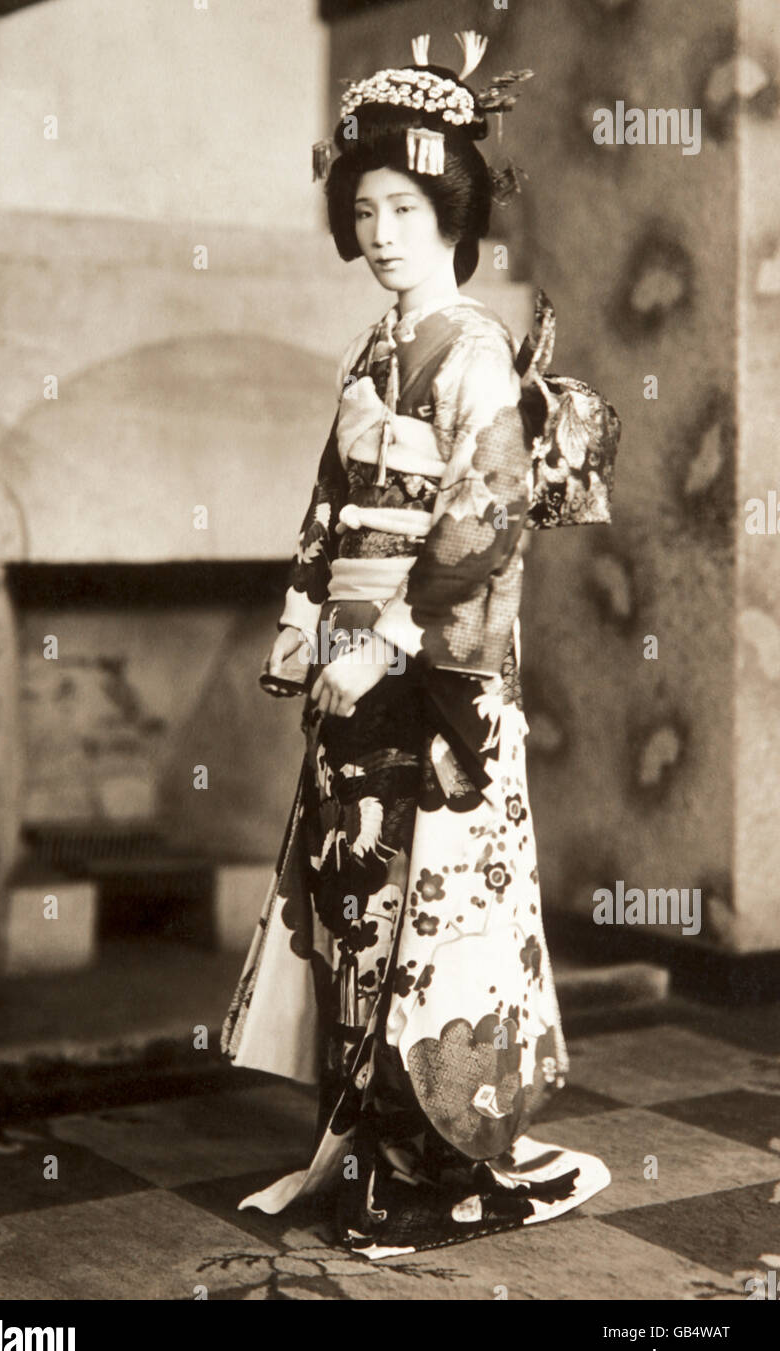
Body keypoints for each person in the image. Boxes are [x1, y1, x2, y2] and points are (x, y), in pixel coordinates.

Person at [222, 31, 620, 1259]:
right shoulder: (374, 350)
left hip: (434, 670)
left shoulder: (473, 348)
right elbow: (331, 503)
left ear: (451, 213)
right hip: (352, 658)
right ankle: (357, 1146)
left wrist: (388, 634)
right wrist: (304, 619)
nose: (384, 230)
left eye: (405, 206)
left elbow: (485, 520)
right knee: (352, 903)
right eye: (365, 208)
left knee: (432, 914)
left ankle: (440, 1162)